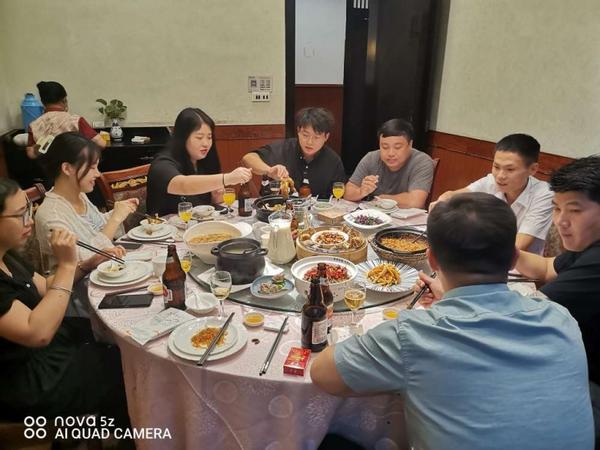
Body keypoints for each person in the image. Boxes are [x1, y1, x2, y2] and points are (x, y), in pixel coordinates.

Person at [311, 192, 593, 450]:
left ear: (431, 260)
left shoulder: (414, 335)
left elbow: (322, 374)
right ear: (513, 259)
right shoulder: (562, 319)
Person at [0, 178, 129, 426]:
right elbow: (37, 333)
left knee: (114, 338)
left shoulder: (8, 255)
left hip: (45, 351)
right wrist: (67, 265)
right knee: (121, 365)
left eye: (29, 209)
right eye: (19, 214)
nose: (29, 220)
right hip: (26, 379)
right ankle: (119, 432)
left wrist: (87, 264)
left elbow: (46, 287)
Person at [511, 156, 600, 440]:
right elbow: (546, 268)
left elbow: (524, 316)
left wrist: (457, 290)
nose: (561, 221)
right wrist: (503, 249)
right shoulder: (587, 245)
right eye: (557, 208)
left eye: (574, 210)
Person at [431, 133, 553, 254]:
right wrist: (444, 200)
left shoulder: (544, 194)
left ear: (533, 169)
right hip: (484, 254)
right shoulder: (491, 181)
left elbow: (518, 245)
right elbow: (453, 195)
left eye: (510, 169)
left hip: (520, 263)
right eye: (496, 167)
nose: (500, 176)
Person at [34, 132, 135, 276]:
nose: (98, 174)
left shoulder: (79, 194)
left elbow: (95, 228)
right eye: (92, 168)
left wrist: (119, 211)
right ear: (67, 168)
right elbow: (85, 259)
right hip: (77, 284)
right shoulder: (51, 215)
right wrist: (115, 219)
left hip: (104, 273)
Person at [146, 107, 252, 216]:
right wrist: (227, 178)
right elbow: (183, 185)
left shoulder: (204, 160)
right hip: (162, 224)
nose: (206, 143)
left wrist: (216, 196)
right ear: (183, 138)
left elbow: (208, 203)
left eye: (209, 137)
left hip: (196, 223)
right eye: (199, 137)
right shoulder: (162, 164)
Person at [242, 107, 346, 197]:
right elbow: (248, 158)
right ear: (298, 131)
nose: (309, 142)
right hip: (278, 209)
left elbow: (339, 196)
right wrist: (269, 171)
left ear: (326, 137)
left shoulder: (333, 161)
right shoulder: (284, 148)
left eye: (316, 137)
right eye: (305, 135)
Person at [344, 118, 434, 208]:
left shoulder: (422, 161)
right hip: (375, 214)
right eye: (385, 147)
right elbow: (347, 193)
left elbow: (415, 202)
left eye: (397, 147)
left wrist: (381, 199)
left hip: (408, 216)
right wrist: (361, 191)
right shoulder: (371, 158)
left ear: (410, 144)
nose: (391, 153)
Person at [26, 81, 106, 160]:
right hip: (74, 166)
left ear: (43, 102)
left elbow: (31, 154)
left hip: (47, 167)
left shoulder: (34, 125)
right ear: (64, 100)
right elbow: (101, 143)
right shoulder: (75, 120)